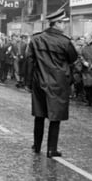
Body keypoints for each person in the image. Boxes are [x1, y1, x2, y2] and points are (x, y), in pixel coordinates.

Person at [26, 8, 78, 158]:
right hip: (58, 83)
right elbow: (73, 58)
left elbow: (29, 61)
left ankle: (36, 146)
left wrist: (28, 82)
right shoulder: (65, 41)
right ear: (57, 23)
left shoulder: (36, 39)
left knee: (39, 115)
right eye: (63, 23)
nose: (64, 26)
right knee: (55, 118)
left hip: (39, 82)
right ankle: (51, 149)